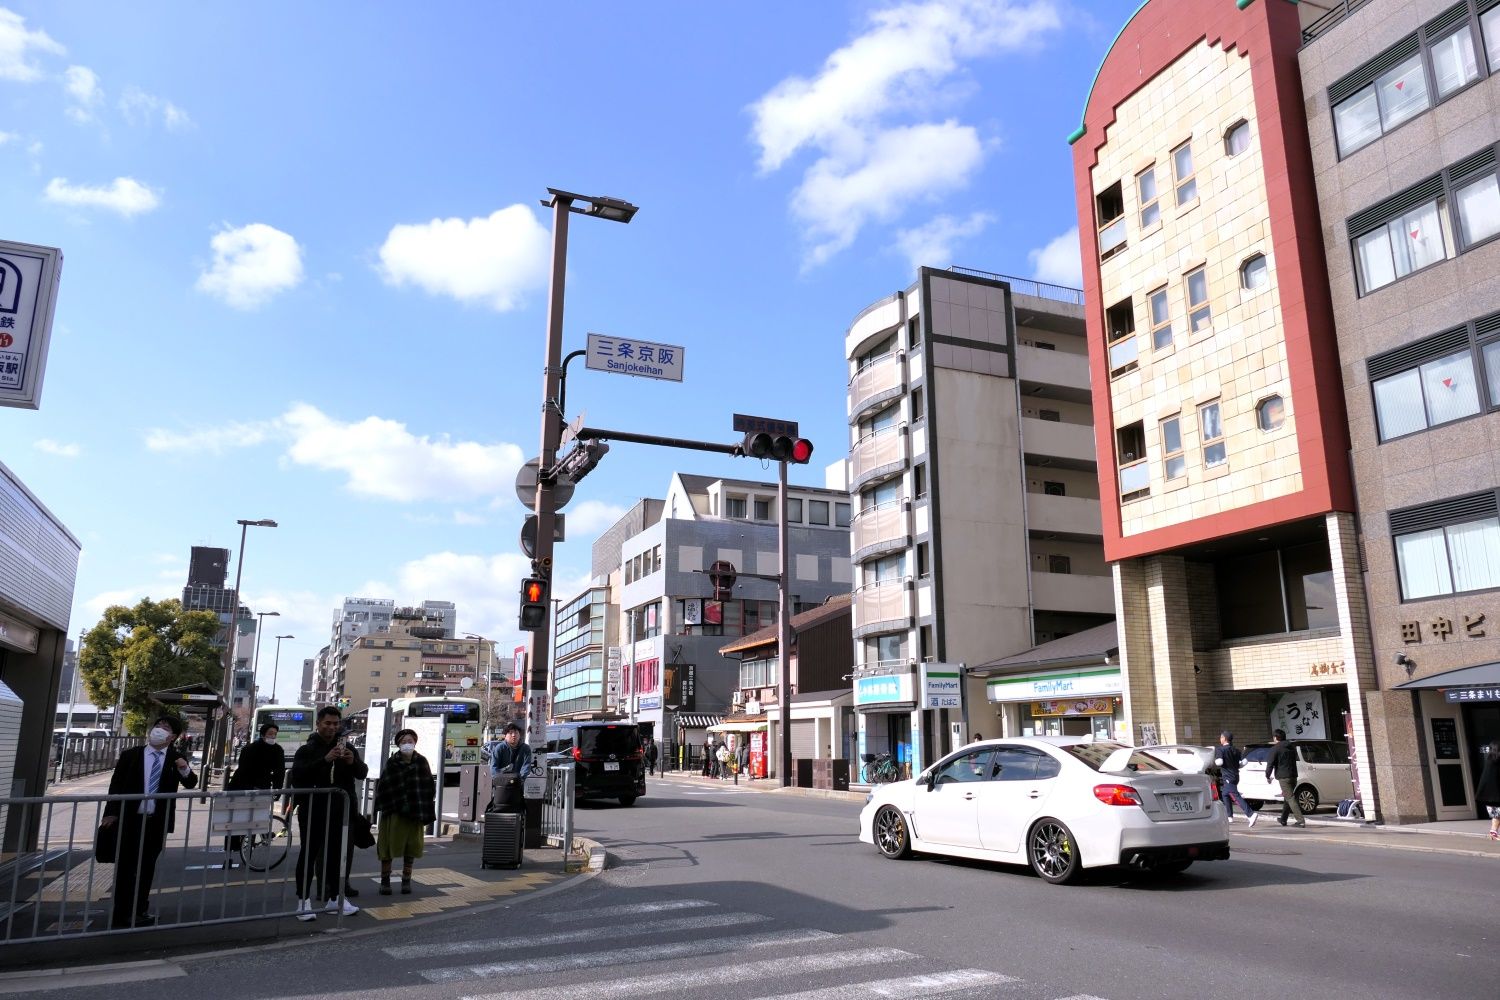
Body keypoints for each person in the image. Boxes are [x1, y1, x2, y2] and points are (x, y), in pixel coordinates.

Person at [100, 714, 197, 928]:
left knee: (146, 868)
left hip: (156, 823)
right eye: (158, 725)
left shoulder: (175, 757)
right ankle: (121, 914)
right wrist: (111, 813)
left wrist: (183, 767)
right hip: (129, 820)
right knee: (126, 867)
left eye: (166, 727)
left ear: (172, 736)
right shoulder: (131, 755)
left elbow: (191, 782)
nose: (160, 729)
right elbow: (115, 786)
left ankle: (140, 910)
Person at [290, 706, 366, 920]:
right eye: (328, 723)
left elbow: (362, 773)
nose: (332, 727)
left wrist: (353, 761)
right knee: (309, 854)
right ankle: (302, 901)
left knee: (336, 856)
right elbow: (299, 776)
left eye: (335, 723)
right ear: (319, 724)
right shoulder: (307, 750)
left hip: (340, 810)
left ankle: (336, 898)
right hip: (313, 809)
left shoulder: (346, 747)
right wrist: (325, 760)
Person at [374, 729, 436, 895]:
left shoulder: (422, 762)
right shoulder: (391, 762)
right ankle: (385, 881)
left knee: (411, 846)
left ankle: (406, 881)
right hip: (394, 812)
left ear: (415, 743)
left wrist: (421, 805)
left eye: (410, 741)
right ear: (399, 744)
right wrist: (397, 802)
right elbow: (385, 786)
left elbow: (428, 786)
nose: (407, 744)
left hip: (414, 812)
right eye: (404, 741)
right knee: (387, 847)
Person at [225, 722, 287, 856]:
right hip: (241, 786)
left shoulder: (278, 750)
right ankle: (231, 851)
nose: (273, 736)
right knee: (236, 820)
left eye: (275, 734)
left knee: (256, 818)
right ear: (263, 734)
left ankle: (250, 847)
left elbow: (280, 771)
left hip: (261, 787)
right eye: (270, 733)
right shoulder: (251, 748)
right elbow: (243, 770)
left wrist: (277, 788)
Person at [1214, 731, 1258, 827]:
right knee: (1225, 794)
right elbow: (1242, 763)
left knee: (1234, 795)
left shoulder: (1220, 750)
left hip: (1228, 777)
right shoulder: (1236, 750)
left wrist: (1216, 760)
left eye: (1221, 737)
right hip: (1236, 776)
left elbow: (1219, 762)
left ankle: (1251, 814)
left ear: (1224, 739)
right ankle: (1229, 816)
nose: (1220, 739)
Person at [1264, 729, 1305, 827]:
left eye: (1274, 737)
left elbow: (1270, 764)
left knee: (1290, 798)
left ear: (1276, 737)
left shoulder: (1275, 749)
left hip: (1283, 777)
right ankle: (1283, 819)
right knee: (1288, 797)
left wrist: (1267, 776)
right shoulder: (1291, 747)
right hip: (1293, 775)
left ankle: (1300, 821)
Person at [488, 722, 532, 812]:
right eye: (510, 733)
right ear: (505, 735)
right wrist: (500, 780)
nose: (513, 735)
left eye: (516, 733)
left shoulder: (525, 748)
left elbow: (526, 766)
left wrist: (520, 779)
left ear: (520, 735)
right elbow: (493, 767)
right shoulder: (499, 748)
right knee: (500, 807)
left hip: (517, 785)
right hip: (501, 785)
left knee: (516, 807)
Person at [1476, 743, 1500, 842]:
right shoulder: (1498, 761)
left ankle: (1493, 832)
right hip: (1496, 794)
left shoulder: (1489, 760)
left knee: (1496, 814)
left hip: (1488, 795)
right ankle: (1493, 832)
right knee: (1497, 814)